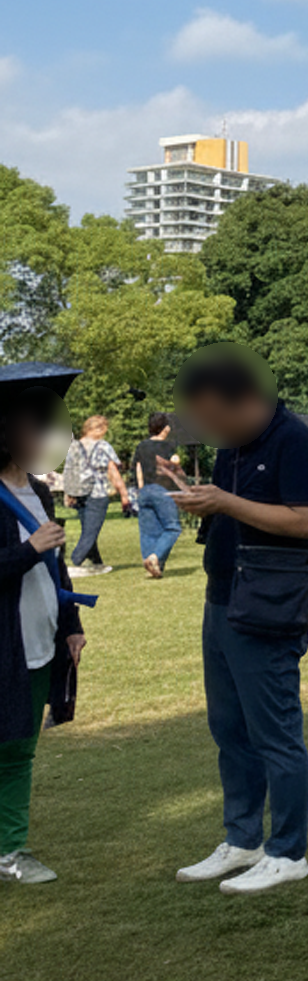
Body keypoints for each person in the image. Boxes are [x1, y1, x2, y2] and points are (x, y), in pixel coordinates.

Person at [167, 347, 308, 895]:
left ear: (246, 400)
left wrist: (225, 502)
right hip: (221, 597)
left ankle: (288, 851)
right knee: (229, 729)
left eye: (214, 414)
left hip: (269, 602)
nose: (209, 427)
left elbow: (304, 521)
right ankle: (242, 839)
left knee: (275, 732)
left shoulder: (294, 441)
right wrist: (201, 500)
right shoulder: (230, 447)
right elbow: (227, 509)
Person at [0, 374, 87, 885]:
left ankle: (10, 851)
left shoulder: (36, 490)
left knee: (19, 751)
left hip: (39, 641)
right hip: (4, 645)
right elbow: (34, 552)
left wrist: (71, 624)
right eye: (34, 427)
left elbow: (57, 565)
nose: (44, 438)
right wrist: (27, 550)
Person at [63, 415, 126, 577]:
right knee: (91, 531)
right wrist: (123, 493)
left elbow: (69, 471)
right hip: (97, 492)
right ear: (100, 428)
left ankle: (96, 562)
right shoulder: (103, 446)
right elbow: (112, 470)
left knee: (88, 528)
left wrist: (68, 493)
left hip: (79, 492)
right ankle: (75, 560)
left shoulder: (74, 446)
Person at [133, 410, 184, 579]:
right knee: (172, 527)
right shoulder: (168, 446)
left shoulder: (142, 446)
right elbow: (174, 463)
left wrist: (141, 488)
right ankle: (155, 557)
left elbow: (138, 467)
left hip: (145, 490)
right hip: (162, 490)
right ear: (166, 428)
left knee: (149, 532)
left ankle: (153, 566)